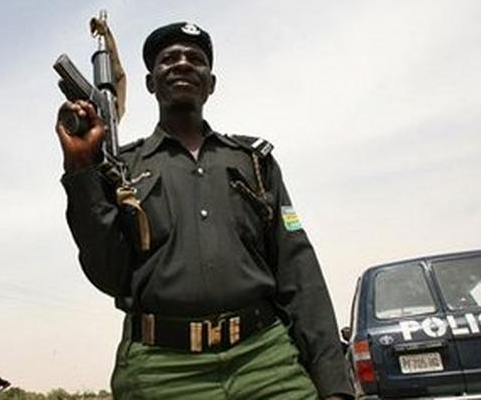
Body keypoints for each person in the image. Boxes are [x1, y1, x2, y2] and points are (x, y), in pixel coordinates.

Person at [56, 22, 353, 399]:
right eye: (169, 60)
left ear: (211, 84)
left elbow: (299, 271)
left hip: (264, 359)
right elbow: (109, 276)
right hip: (162, 369)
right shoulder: (122, 167)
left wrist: (333, 384)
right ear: (150, 83)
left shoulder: (253, 162)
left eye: (195, 59)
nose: (182, 64)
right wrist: (82, 170)